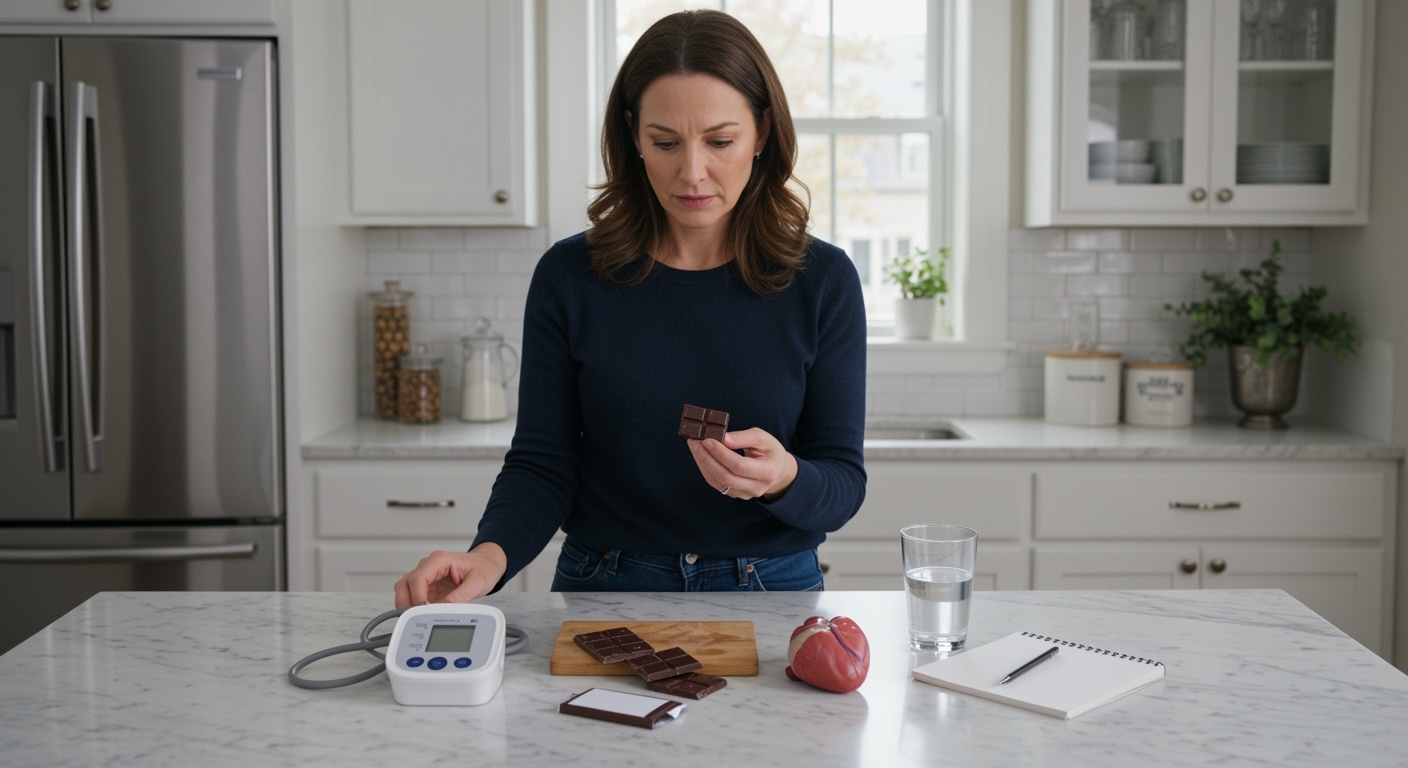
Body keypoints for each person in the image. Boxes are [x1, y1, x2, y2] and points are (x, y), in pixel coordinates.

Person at [394, 9, 865, 608]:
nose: (692, 172)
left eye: (720, 141)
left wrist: (786, 479)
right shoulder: (571, 277)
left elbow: (843, 483)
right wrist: (488, 557)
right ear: (633, 135)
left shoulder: (822, 281)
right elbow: (543, 462)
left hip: (770, 586)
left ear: (763, 132)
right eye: (664, 142)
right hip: (605, 581)